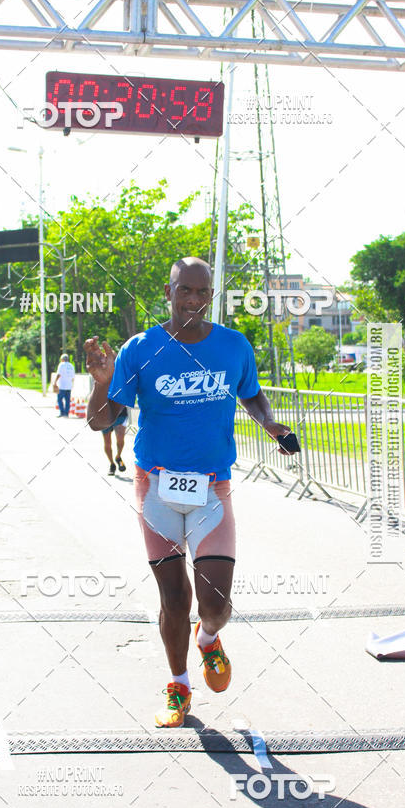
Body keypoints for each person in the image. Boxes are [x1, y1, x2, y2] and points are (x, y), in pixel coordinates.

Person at [85, 257, 292, 728]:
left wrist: (269, 422)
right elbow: (103, 420)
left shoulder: (233, 346)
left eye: (202, 292)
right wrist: (101, 385)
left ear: (210, 295)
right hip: (155, 487)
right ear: (169, 291)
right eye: (185, 290)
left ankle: (208, 640)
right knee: (174, 600)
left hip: (212, 489)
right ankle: (178, 684)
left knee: (216, 605)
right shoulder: (141, 349)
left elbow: (250, 392)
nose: (193, 300)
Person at [101, 405, 128, 475]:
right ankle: (112, 464)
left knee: (120, 439)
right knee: (107, 443)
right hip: (104, 415)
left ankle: (118, 457)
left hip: (120, 414)